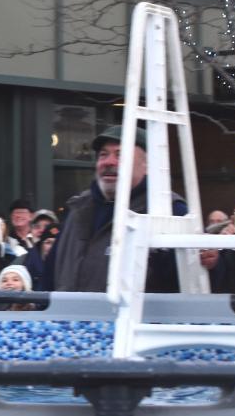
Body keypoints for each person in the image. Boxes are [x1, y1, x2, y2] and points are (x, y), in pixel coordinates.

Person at [46, 125, 186, 293]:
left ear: (147, 165)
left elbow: (192, 281)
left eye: (120, 155)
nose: (109, 162)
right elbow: (48, 278)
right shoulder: (77, 210)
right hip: (69, 318)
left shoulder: (169, 211)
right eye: (103, 155)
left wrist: (212, 262)